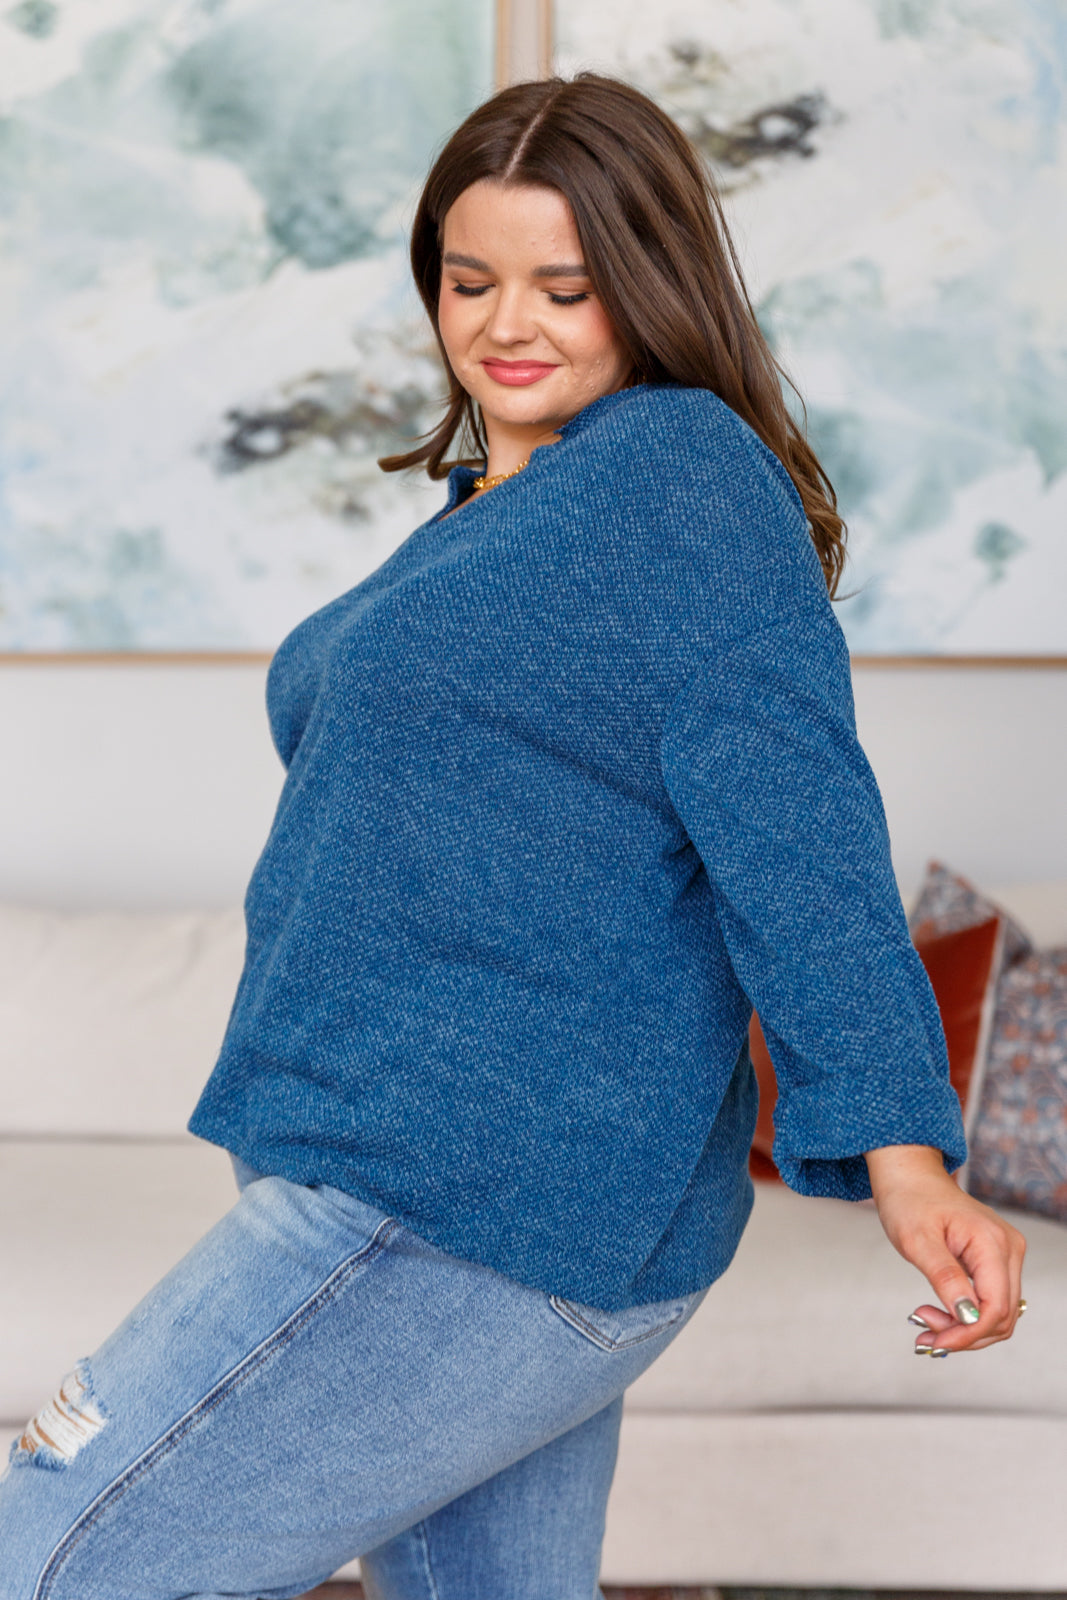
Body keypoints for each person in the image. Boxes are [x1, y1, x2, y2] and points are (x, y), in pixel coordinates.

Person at [0, 71, 1026, 1600]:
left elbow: (801, 834)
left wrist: (906, 1151)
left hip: (463, 1201)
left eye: (568, 283)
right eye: (470, 281)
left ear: (651, 284)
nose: (507, 323)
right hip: (439, 1186)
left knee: (51, 1553)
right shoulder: (510, 500)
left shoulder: (679, 484)